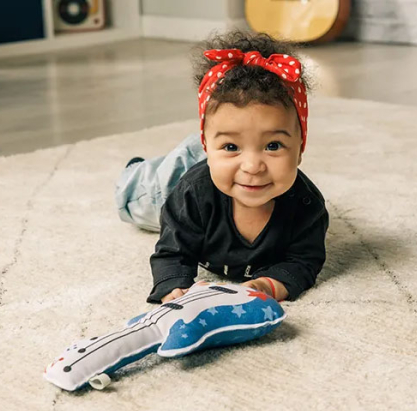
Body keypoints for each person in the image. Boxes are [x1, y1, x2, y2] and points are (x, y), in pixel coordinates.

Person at [114, 30, 329, 304]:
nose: (252, 166)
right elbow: (172, 252)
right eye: (231, 145)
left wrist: (267, 285)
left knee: (227, 152)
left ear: (300, 147)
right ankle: (148, 165)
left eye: (273, 145)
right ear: (208, 145)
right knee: (136, 200)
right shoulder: (191, 195)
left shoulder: (307, 207)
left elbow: (303, 262)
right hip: (176, 181)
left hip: (218, 162)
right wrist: (174, 287)